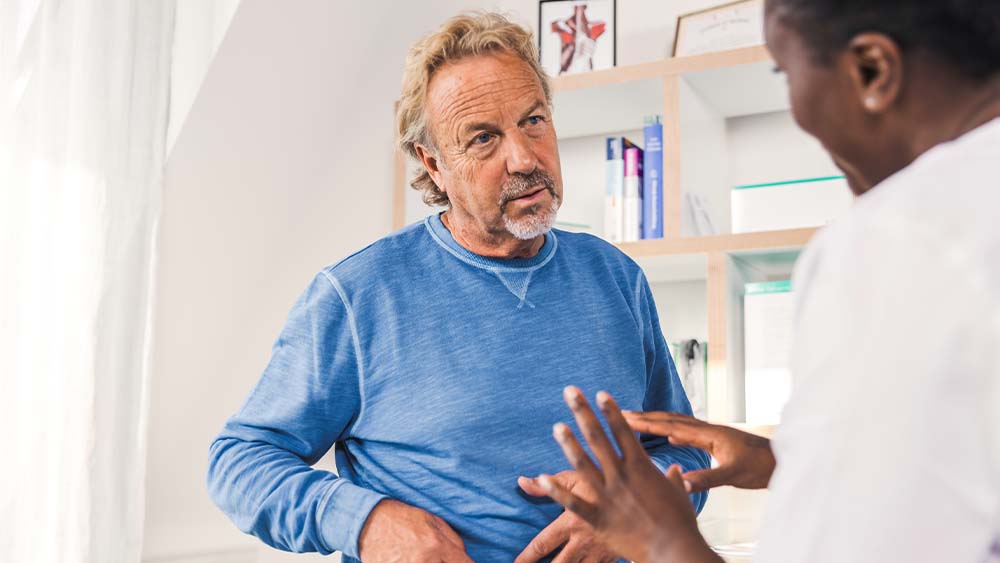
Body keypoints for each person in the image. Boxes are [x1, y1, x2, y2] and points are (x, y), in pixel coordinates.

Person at [206, 12, 710, 563]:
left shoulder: (617, 277)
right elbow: (240, 460)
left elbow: (685, 447)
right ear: (434, 164)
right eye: (484, 138)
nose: (523, 158)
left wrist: (638, 505)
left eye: (533, 121)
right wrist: (366, 522)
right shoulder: (356, 296)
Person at [526, 0, 1000, 562]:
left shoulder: (895, 238)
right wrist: (790, 462)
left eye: (785, 71)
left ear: (873, 70)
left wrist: (659, 539)